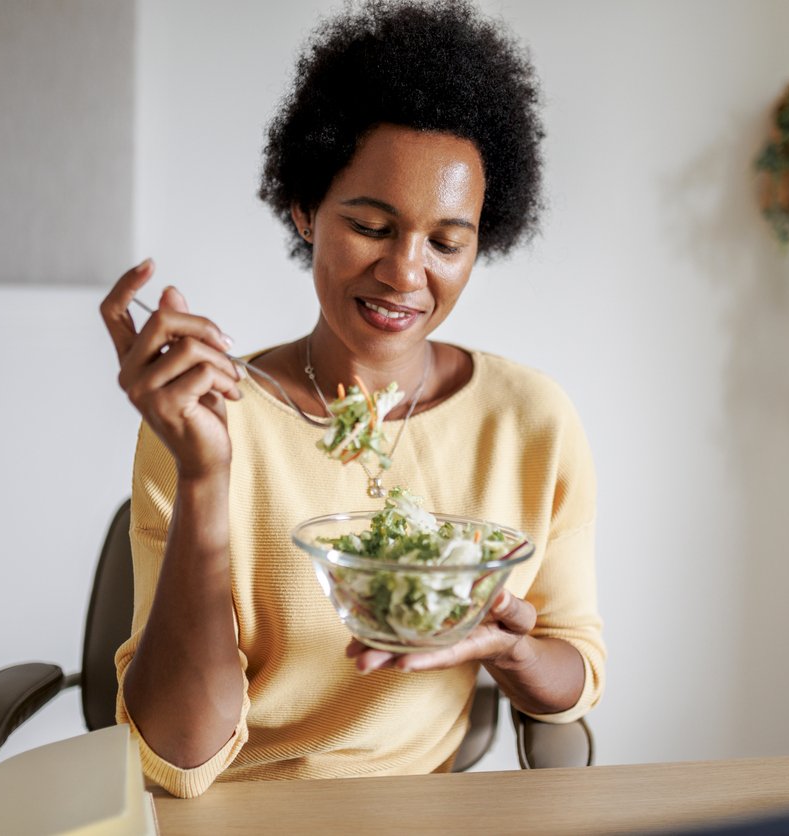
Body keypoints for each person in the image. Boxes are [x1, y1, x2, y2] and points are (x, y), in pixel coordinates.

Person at [99, 0, 604, 798]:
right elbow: (179, 759)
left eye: (446, 241)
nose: (406, 274)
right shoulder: (207, 415)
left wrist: (505, 649)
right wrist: (204, 479)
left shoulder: (530, 421)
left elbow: (576, 672)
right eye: (371, 225)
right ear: (306, 210)